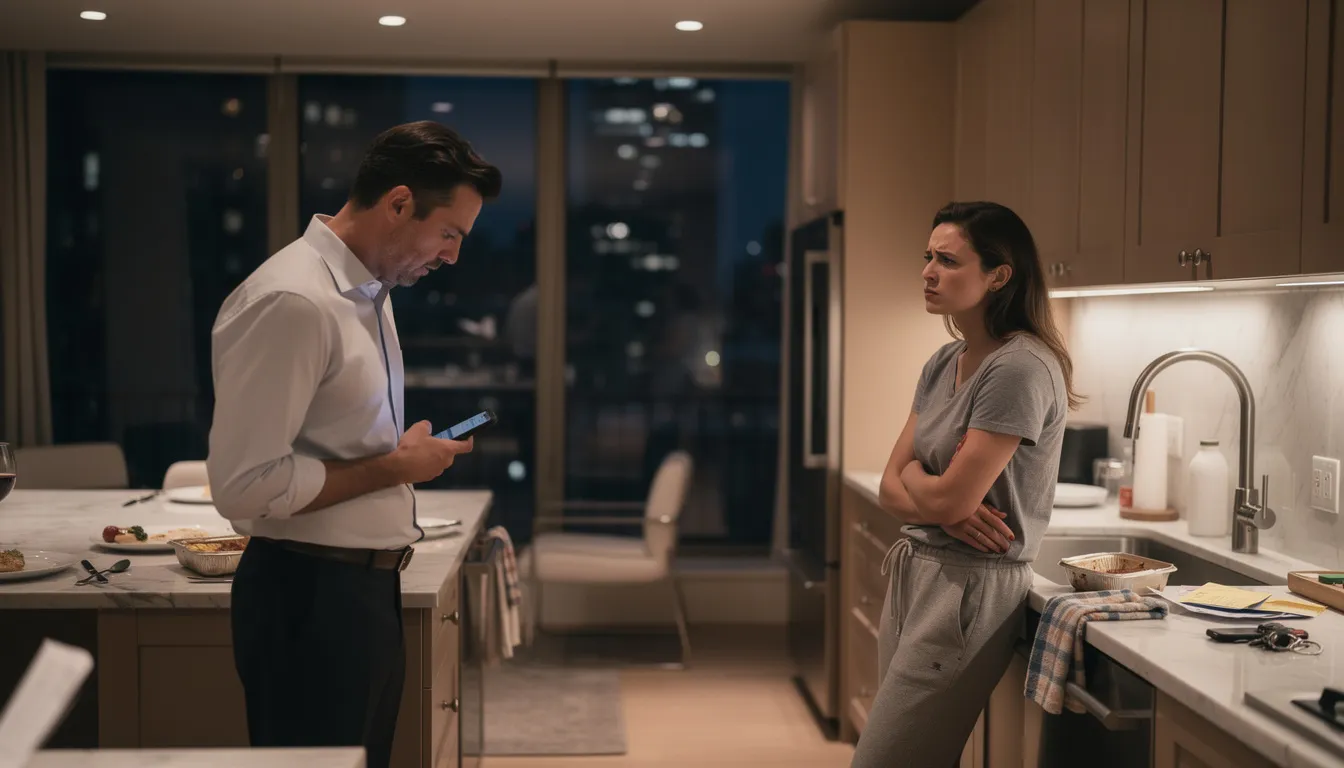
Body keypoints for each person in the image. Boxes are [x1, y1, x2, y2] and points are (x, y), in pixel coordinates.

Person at [206, 120, 502, 768]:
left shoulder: (372, 293)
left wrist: (393, 455)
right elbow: (243, 485)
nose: (453, 256)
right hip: (307, 601)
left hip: (362, 595)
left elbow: (334, 436)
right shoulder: (293, 299)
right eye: (450, 233)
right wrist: (393, 467)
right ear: (398, 204)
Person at [850, 201, 1079, 768]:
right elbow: (888, 486)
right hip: (919, 572)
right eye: (927, 256)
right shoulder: (945, 360)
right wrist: (942, 501)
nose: (928, 271)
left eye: (948, 260)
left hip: (968, 588)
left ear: (999, 275)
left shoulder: (1019, 367)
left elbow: (940, 491)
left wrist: (930, 491)